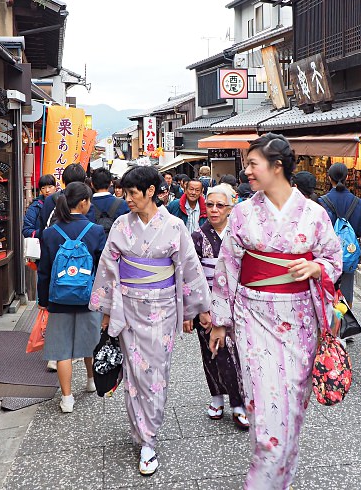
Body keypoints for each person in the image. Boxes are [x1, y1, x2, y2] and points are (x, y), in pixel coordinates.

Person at [208, 134, 342, 489]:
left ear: (277, 166)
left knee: (292, 408)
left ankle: (278, 479)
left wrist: (316, 268)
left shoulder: (313, 214)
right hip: (253, 317)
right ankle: (264, 479)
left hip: (299, 321)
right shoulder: (243, 213)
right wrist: (221, 321)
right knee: (266, 411)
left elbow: (333, 257)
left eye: (253, 164)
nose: (246, 170)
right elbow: (228, 266)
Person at [90, 166, 211, 476]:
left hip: (162, 309)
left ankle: (149, 439)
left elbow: (190, 267)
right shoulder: (120, 224)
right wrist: (106, 311)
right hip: (128, 308)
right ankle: (141, 432)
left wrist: (199, 309)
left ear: (150, 192)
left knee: (154, 373)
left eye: (133, 193)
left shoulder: (173, 227)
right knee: (132, 373)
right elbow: (107, 267)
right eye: (125, 192)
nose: (127, 198)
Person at [37, 182, 106, 412]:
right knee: (90, 341)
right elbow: (102, 268)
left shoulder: (50, 233)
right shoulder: (96, 231)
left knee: (62, 349)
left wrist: (43, 301)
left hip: (58, 298)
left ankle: (67, 399)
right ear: (84, 202)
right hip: (88, 298)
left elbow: (44, 270)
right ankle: (90, 381)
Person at [190, 183, 247, 429]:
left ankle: (238, 401)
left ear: (230, 208)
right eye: (210, 205)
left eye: (219, 205)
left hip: (237, 303)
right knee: (211, 353)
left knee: (235, 353)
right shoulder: (197, 237)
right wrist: (200, 309)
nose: (214, 210)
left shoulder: (239, 236)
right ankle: (217, 397)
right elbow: (191, 276)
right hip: (208, 303)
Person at [320, 162, 361, 310]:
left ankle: (330, 328)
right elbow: (360, 230)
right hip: (348, 252)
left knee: (327, 290)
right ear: (347, 178)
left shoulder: (322, 202)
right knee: (346, 290)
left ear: (329, 178)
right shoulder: (357, 202)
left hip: (327, 254)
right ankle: (345, 324)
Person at [39, 163, 88, 231]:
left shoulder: (50, 200)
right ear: (83, 181)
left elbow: (43, 226)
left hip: (56, 239)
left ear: (63, 180)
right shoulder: (86, 200)